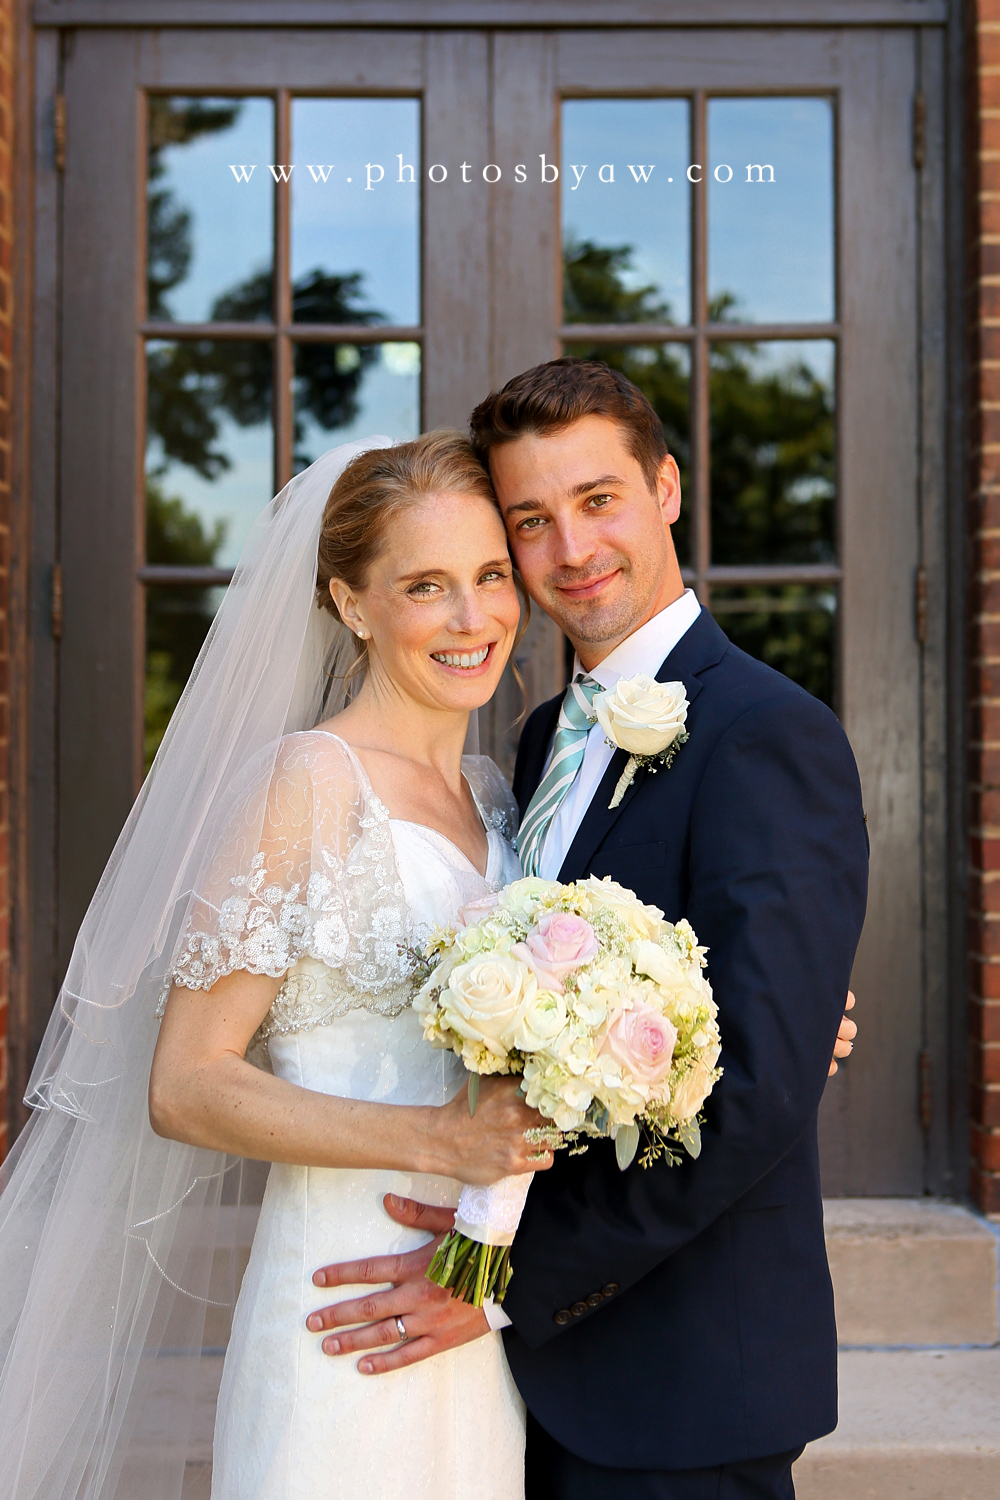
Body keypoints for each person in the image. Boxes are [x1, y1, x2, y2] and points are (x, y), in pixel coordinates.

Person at [0, 404, 856, 1500]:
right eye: (423, 585)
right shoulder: (300, 785)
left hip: (483, 1314)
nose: (473, 615)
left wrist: (711, 1033)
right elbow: (184, 1085)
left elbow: (617, 999)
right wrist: (441, 1141)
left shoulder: (508, 790)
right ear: (350, 604)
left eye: (492, 573)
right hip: (349, 1294)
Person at [311, 360, 868, 1500]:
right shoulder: (530, 743)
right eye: (531, 519)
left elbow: (757, 1089)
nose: (570, 548)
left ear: (664, 489)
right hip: (532, 1377)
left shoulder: (766, 734)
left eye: (598, 500)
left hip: (677, 1375)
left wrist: (500, 1278)